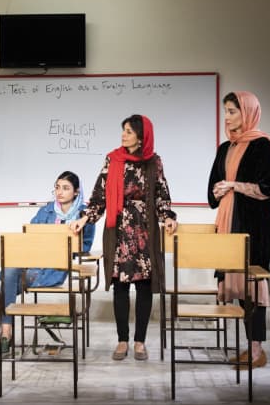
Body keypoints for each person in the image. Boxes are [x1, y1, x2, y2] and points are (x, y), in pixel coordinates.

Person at [70, 114, 178, 361]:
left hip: (144, 231)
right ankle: (122, 340)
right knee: (120, 286)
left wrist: (168, 216)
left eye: (129, 131)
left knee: (143, 286)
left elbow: (162, 194)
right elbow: (98, 197)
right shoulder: (113, 159)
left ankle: (139, 341)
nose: (123, 135)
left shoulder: (154, 162)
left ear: (141, 137)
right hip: (118, 231)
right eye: (123, 130)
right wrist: (84, 218)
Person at [0, 171, 96, 356]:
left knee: (5, 287)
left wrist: (59, 245)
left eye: (65, 188)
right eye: (57, 187)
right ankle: (6, 331)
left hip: (55, 268)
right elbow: (31, 235)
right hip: (34, 261)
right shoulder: (47, 210)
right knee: (9, 269)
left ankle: (4, 335)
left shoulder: (85, 213)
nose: (60, 192)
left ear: (76, 192)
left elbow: (85, 244)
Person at [208, 91, 270, 369]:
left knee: (254, 288)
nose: (227, 117)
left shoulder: (261, 145)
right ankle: (250, 348)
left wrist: (234, 185)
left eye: (232, 111)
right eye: (225, 111)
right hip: (228, 224)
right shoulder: (224, 148)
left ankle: (257, 351)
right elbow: (212, 189)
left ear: (247, 112)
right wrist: (218, 189)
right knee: (238, 288)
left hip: (253, 227)